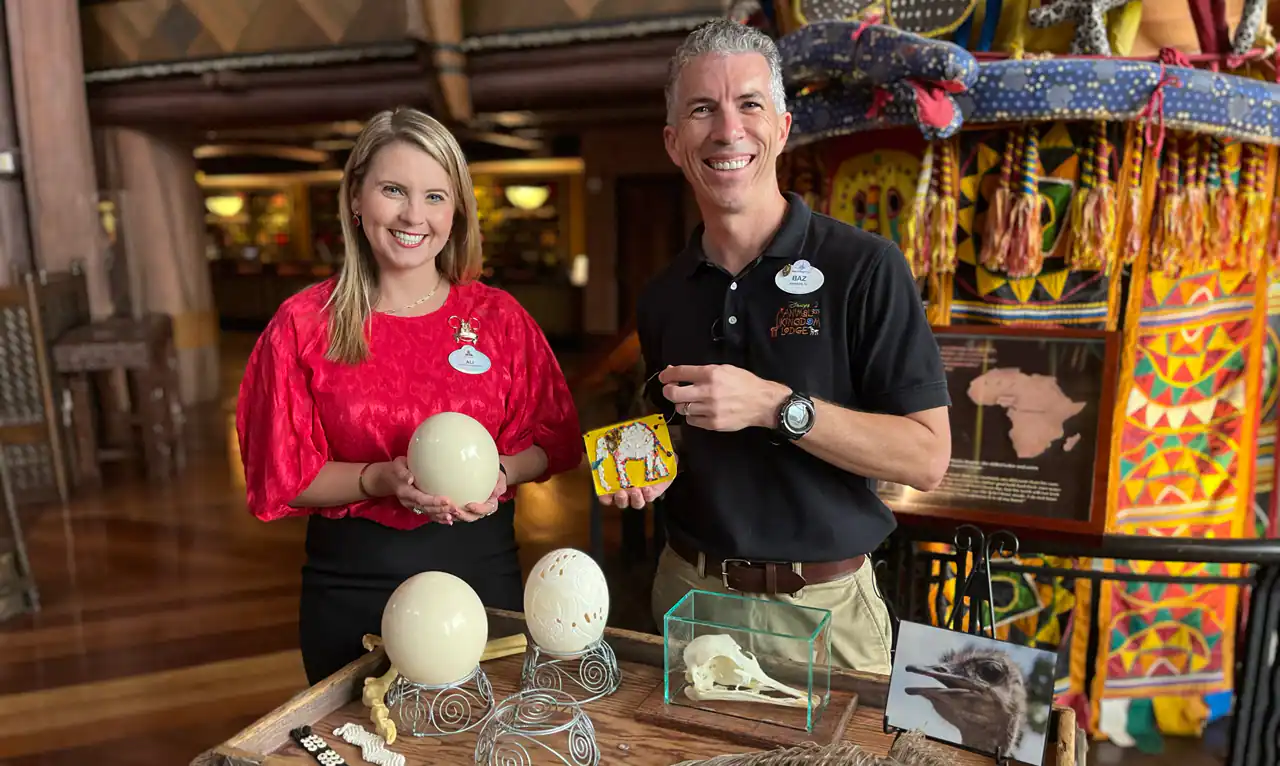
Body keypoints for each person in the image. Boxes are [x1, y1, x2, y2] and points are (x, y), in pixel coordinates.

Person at [601, 20, 952, 676]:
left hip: (828, 613)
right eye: (703, 109)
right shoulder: (663, 295)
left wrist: (777, 407)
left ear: (783, 128)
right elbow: (680, 432)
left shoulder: (866, 268)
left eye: (750, 104)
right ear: (675, 143)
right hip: (690, 600)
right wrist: (646, 466)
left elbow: (927, 458)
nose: (728, 130)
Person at [236, 107, 584, 685]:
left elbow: (555, 440)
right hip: (352, 584)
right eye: (393, 190)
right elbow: (282, 475)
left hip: (480, 576)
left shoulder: (498, 319)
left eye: (435, 197)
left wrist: (501, 470)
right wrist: (380, 479)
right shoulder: (303, 324)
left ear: (457, 210)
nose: (412, 216)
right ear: (355, 196)